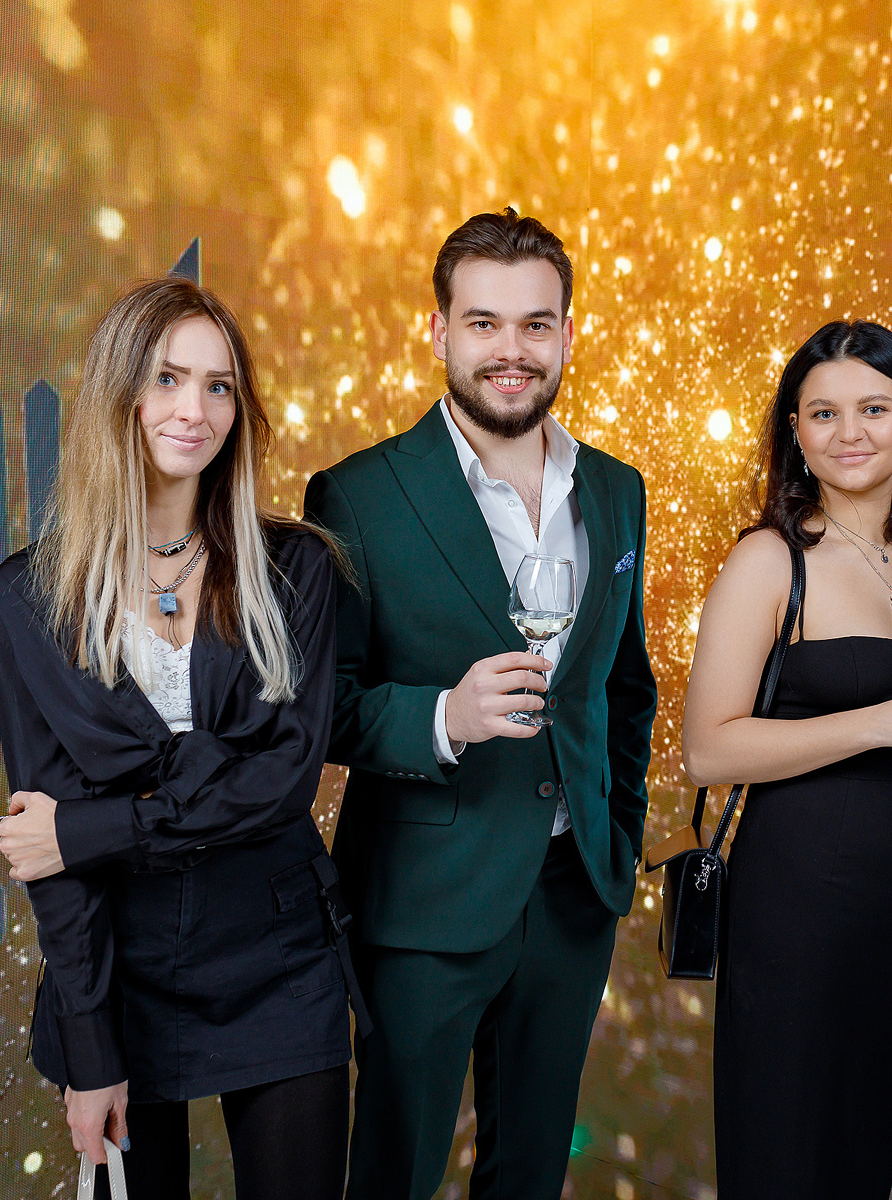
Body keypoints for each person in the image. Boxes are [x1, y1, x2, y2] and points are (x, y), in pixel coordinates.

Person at [304, 208, 656, 1200]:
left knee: (531, 1174)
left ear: (568, 335)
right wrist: (444, 719)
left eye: (535, 324)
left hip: (572, 894)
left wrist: (616, 838)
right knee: (398, 1174)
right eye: (484, 323)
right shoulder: (358, 494)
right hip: (423, 901)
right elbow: (325, 709)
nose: (512, 350)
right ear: (439, 333)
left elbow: (623, 688)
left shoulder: (617, 490)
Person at [0, 277, 352, 1200]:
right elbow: (51, 856)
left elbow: (282, 785)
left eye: (220, 385)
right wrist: (89, 1048)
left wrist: (90, 827)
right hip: (123, 972)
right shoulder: (29, 598)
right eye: (167, 379)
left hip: (281, 961)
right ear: (120, 394)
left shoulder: (297, 567)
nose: (196, 410)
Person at [682, 320, 892, 1199]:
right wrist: (880, 722)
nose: (850, 432)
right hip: (797, 908)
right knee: (784, 1161)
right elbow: (707, 748)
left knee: (862, 1160)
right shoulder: (770, 560)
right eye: (823, 413)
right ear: (796, 431)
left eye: (873, 409)